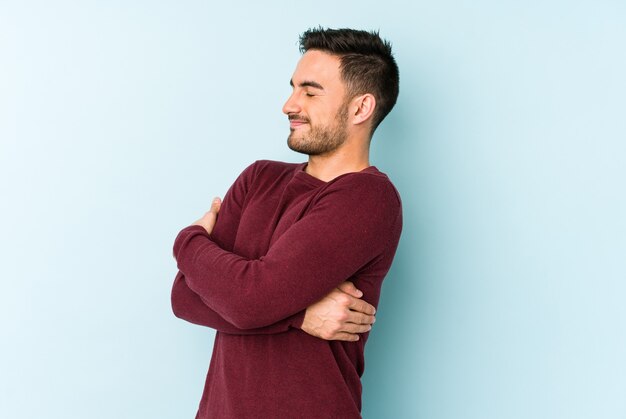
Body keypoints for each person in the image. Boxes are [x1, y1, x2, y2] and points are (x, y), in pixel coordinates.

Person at [172, 27, 402, 418]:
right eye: (294, 88)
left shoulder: (368, 198)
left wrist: (188, 240)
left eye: (310, 93)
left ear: (360, 108)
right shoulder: (258, 178)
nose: (289, 104)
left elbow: (248, 302)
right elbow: (184, 297)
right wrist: (300, 315)